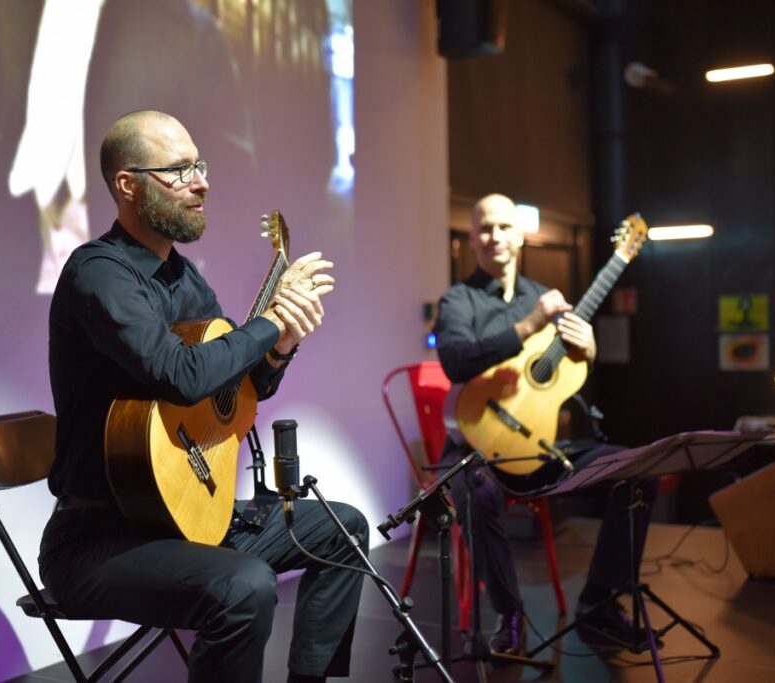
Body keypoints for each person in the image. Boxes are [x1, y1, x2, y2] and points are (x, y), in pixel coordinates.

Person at [39, 110, 368, 683]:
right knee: (244, 586)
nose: (202, 181)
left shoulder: (185, 279)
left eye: (201, 165)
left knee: (344, 531)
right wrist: (266, 322)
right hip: (98, 539)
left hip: (177, 520)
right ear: (128, 185)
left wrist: (282, 343)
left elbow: (241, 392)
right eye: (180, 169)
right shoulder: (99, 273)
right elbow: (181, 376)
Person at [434, 193, 657, 655]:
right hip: (476, 446)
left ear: (520, 235)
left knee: (639, 471)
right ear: (472, 237)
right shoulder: (459, 300)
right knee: (476, 488)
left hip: (538, 445)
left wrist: (588, 352)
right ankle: (510, 615)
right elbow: (456, 362)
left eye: (503, 226)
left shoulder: (546, 297)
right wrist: (527, 326)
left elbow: (561, 377)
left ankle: (600, 602)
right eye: (484, 228)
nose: (494, 236)